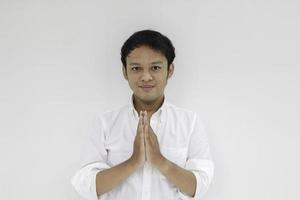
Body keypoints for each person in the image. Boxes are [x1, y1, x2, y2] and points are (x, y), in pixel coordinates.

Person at [71, 30, 214, 200]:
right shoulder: (105, 123)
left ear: (170, 70)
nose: (146, 77)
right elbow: (86, 185)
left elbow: (200, 186)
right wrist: (133, 162)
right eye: (136, 68)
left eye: (155, 67)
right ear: (125, 71)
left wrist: (160, 161)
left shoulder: (190, 122)